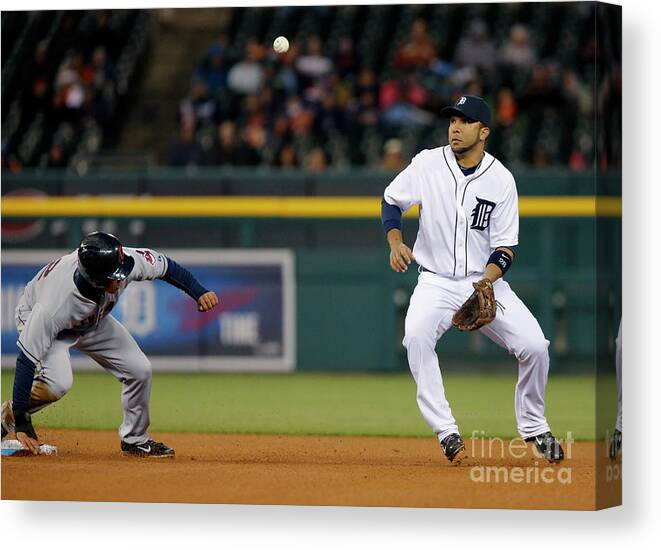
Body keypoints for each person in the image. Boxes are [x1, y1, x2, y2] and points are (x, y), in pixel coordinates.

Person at [380, 95, 565, 464]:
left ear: (483, 132)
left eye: (464, 122)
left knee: (535, 347)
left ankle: (534, 425)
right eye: (452, 121)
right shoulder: (427, 164)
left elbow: (505, 248)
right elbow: (391, 201)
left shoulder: (501, 180)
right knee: (415, 337)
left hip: (484, 281)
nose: (455, 127)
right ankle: (446, 431)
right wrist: (396, 241)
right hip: (434, 281)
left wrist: (487, 281)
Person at [0, 232, 219, 458]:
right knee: (57, 384)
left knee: (139, 370)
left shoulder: (122, 261)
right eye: (115, 276)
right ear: (95, 279)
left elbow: (166, 266)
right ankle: (6, 417)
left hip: (92, 320)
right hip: (49, 323)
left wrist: (198, 292)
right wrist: (23, 423)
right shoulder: (53, 306)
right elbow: (26, 361)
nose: (121, 278)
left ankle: (134, 440)